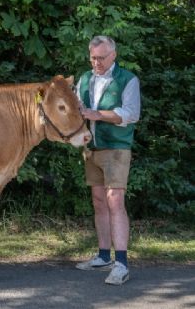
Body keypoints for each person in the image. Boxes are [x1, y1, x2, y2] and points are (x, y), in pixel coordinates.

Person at [74, 36, 141, 285]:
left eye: (101, 57)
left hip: (116, 149)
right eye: (93, 57)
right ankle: (104, 256)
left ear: (114, 55)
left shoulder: (128, 79)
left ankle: (121, 263)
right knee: (99, 201)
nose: (96, 62)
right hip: (91, 148)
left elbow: (131, 114)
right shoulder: (84, 78)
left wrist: (97, 114)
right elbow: (76, 106)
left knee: (115, 202)